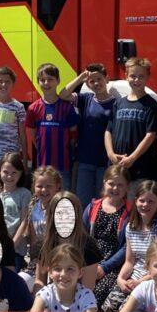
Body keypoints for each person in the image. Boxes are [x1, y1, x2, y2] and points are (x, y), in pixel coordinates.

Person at [102, 180, 157, 312]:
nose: (145, 205)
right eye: (142, 200)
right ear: (135, 201)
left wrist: (139, 282)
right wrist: (121, 279)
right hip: (134, 277)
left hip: (151, 280)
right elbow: (130, 261)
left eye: (151, 201)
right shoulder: (131, 227)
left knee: (125, 311)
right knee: (109, 308)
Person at [62, 63, 117, 206]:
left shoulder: (117, 103)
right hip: (85, 160)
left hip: (104, 162)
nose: (96, 83)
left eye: (99, 79)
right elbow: (63, 94)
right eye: (91, 81)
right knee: (82, 201)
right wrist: (80, 78)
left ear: (107, 79)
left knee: (103, 202)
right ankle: (84, 228)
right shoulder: (85, 99)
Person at [84, 165, 133, 309]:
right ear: (104, 183)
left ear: (127, 187)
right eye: (111, 183)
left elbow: (126, 247)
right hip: (90, 260)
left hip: (112, 265)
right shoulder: (93, 206)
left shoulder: (130, 212)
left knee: (95, 298)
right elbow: (82, 236)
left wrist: (104, 267)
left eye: (120, 185)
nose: (115, 188)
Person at [106, 57, 157, 183]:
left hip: (140, 168)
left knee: (134, 200)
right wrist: (111, 154)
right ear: (126, 76)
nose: (136, 80)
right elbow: (108, 131)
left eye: (141, 76)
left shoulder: (151, 104)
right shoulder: (118, 103)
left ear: (148, 77)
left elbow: (151, 135)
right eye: (133, 76)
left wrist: (132, 158)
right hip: (117, 167)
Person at [35, 192, 103, 293]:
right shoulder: (45, 244)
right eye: (59, 213)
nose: (64, 217)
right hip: (51, 297)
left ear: (77, 215)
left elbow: (88, 288)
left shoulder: (88, 246)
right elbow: (40, 280)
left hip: (79, 299)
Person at [26, 63, 79, 189]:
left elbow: (73, 135)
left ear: (58, 81)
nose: (46, 83)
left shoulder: (67, 107)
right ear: (38, 82)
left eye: (50, 79)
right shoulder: (33, 108)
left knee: (63, 200)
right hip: (43, 166)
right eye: (42, 80)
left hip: (63, 165)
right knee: (44, 199)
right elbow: (34, 138)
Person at [0, 153, 32, 270]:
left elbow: (24, 222)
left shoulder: (24, 193)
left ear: (21, 174)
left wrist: (12, 244)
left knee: (9, 277)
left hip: (15, 247)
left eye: (14, 173)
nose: (9, 176)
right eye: (6, 172)